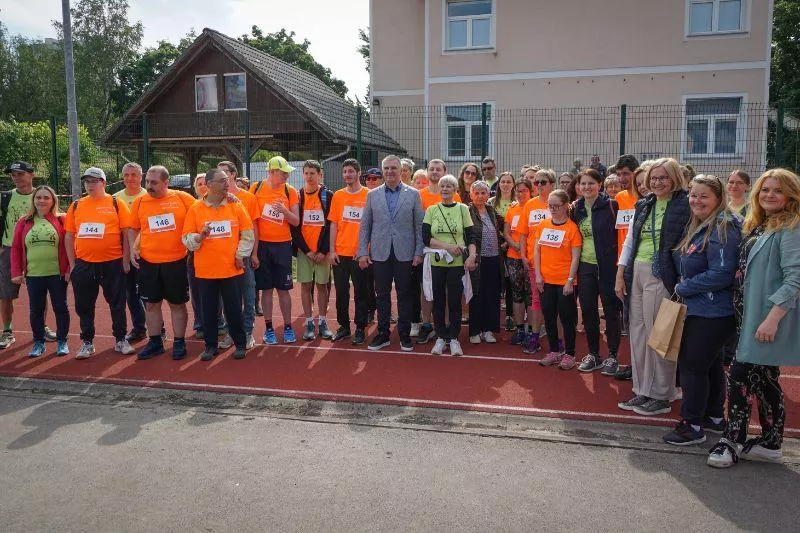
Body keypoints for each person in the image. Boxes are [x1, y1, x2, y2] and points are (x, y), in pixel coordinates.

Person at [707, 168, 800, 468]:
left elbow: (795, 279)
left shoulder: (791, 227)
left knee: (739, 376)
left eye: (778, 190)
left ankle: (731, 440)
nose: (770, 195)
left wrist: (772, 319)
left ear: (791, 196)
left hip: (764, 318)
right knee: (766, 378)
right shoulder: (760, 224)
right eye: (765, 189)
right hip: (747, 315)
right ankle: (771, 443)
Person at [659, 175, 741, 446]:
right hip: (704, 309)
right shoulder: (704, 224)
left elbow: (722, 273)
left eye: (704, 196)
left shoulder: (722, 226)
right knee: (710, 364)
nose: (696, 200)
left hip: (712, 311)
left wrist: (684, 287)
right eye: (693, 195)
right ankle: (714, 417)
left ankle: (692, 426)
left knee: (692, 367)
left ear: (719, 198)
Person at [615, 158, 691, 416]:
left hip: (662, 275)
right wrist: (620, 273)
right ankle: (642, 389)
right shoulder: (644, 204)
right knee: (637, 333)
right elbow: (630, 240)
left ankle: (661, 394)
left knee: (660, 335)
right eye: (654, 178)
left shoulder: (684, 204)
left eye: (663, 177)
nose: (657, 182)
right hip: (635, 271)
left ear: (674, 178)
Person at [182, 167, 254, 361]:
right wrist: (200, 236)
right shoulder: (196, 208)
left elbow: (248, 234)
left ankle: (240, 344)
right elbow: (186, 239)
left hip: (232, 270)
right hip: (206, 271)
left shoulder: (236, 205)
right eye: (222, 181)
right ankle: (210, 346)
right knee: (209, 311)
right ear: (209, 185)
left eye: (227, 180)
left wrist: (241, 255)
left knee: (234, 310)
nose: (227, 184)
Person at [64, 167, 134, 359]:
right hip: (84, 264)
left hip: (113, 263)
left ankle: (120, 339)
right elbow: (69, 236)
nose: (90, 185)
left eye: (94, 181)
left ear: (103, 183)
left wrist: (125, 260)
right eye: (87, 181)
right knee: (84, 305)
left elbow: (126, 233)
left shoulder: (116, 203)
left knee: (117, 304)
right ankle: (87, 342)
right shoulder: (76, 205)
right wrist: (73, 264)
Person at [357, 154, 424, 351]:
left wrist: (418, 251)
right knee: (382, 295)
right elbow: (365, 225)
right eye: (386, 168)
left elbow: (419, 226)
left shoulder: (413, 194)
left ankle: (404, 335)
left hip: (405, 253)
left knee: (405, 294)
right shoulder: (372, 195)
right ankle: (383, 334)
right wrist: (363, 251)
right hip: (380, 253)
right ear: (382, 170)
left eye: (394, 168)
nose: (390, 171)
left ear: (401, 170)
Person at [129, 165, 196, 360]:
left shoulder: (183, 199)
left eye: (154, 182)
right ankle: (155, 342)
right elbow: (133, 228)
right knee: (151, 305)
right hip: (148, 263)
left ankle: (179, 342)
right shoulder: (140, 202)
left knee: (177, 304)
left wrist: (230, 196)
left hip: (177, 262)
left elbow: (204, 210)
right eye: (147, 182)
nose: (149, 186)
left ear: (166, 182)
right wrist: (133, 248)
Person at [1, 161, 57, 349]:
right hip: (10, 250)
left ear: (31, 175)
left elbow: (55, 218)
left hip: (37, 250)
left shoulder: (41, 196)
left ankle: (42, 327)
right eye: (13, 174)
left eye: (20, 173)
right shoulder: (6, 197)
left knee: (40, 291)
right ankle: (7, 331)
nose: (16, 177)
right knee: (5, 294)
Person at [570, 169, 622, 375]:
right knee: (588, 310)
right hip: (585, 266)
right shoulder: (576, 208)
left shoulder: (612, 205)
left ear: (599, 185)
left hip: (608, 266)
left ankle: (613, 356)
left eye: (591, 183)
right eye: (583, 183)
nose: (586, 187)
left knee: (611, 311)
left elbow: (622, 235)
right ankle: (593, 354)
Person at [9, 185, 70, 357]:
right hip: (33, 275)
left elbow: (70, 245)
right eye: (38, 197)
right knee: (36, 310)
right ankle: (39, 342)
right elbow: (15, 248)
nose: (42, 200)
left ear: (53, 201)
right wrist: (16, 272)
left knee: (60, 307)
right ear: (33, 200)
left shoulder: (62, 219)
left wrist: (68, 269)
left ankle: (62, 341)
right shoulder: (24, 221)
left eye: (46, 197)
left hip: (57, 274)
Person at [422, 175, 476, 356]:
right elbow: (426, 238)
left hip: (457, 264)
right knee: (438, 300)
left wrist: (472, 256)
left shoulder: (463, 209)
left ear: (455, 190)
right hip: (436, 261)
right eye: (442, 186)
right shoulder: (431, 210)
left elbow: (470, 236)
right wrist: (448, 247)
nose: (445, 189)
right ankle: (440, 337)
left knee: (454, 301)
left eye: (449, 186)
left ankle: (453, 338)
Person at [251, 156, 301, 345]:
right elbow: (251, 218)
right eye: (283, 173)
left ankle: (288, 327)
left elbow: (296, 221)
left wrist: (284, 211)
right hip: (263, 246)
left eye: (288, 173)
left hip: (282, 246)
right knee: (266, 289)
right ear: (271, 172)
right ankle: (269, 328)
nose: (287, 176)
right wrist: (254, 252)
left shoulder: (290, 191)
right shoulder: (256, 188)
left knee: (283, 289)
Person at [534, 190, 582, 369]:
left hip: (564, 282)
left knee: (567, 318)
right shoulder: (543, 225)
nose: (552, 209)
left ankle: (569, 353)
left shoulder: (572, 229)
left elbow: (575, 257)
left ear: (566, 206)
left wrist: (570, 280)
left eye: (556, 206)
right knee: (549, 317)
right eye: (550, 206)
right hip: (546, 280)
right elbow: (537, 251)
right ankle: (554, 351)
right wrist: (538, 275)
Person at [416, 159, 462, 343]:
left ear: (444, 171)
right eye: (431, 169)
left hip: (450, 253)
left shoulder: (455, 196)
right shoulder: (419, 195)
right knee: (426, 288)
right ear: (427, 172)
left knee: (448, 290)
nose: (434, 172)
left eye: (438, 169)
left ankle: (447, 326)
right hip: (428, 250)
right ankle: (427, 325)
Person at [218, 161, 261, 349]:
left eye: (225, 172)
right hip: (224, 256)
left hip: (244, 255)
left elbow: (254, 227)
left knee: (248, 295)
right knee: (228, 297)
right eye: (218, 172)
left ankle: (248, 332)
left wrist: (254, 253)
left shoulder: (248, 198)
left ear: (234, 174)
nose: (222, 175)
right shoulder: (215, 198)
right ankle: (231, 332)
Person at [328, 159, 370, 344]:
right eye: (345, 171)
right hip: (340, 253)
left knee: (361, 292)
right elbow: (334, 224)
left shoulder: (369, 195)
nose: (347, 175)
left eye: (351, 171)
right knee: (341, 293)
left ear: (359, 173)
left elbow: (372, 225)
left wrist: (365, 251)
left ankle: (360, 328)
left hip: (360, 254)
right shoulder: (338, 195)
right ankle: (344, 326)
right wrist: (332, 250)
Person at [291, 160, 333, 341]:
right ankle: (309, 323)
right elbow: (295, 227)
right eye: (306, 173)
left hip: (322, 252)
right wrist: (307, 250)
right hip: (304, 252)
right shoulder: (298, 196)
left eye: (312, 173)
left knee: (322, 286)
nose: (309, 177)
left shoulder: (327, 195)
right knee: (306, 286)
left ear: (320, 175)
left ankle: (322, 322)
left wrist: (323, 251)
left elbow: (331, 225)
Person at [519, 168, 554, 353]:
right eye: (536, 182)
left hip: (556, 263)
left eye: (543, 182)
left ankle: (558, 340)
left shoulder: (559, 202)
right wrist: (523, 255)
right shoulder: (530, 205)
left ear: (552, 184)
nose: (539, 185)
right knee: (536, 301)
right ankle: (534, 336)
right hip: (535, 263)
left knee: (556, 303)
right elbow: (523, 233)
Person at [113, 162, 148, 343]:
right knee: (130, 293)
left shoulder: (148, 196)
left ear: (141, 177)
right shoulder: (115, 199)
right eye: (126, 175)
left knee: (150, 294)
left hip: (148, 253)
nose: (130, 178)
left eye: (134, 174)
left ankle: (159, 329)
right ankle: (139, 328)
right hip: (124, 253)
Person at [467, 181, 501, 344]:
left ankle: (488, 330)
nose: (480, 196)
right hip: (477, 258)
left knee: (492, 294)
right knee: (477, 294)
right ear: (471, 194)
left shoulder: (491, 210)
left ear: (488, 195)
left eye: (483, 193)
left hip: (494, 257)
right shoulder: (467, 210)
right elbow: (468, 235)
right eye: (477, 193)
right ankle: (475, 330)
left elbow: (504, 225)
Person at [503, 178, 533, 345]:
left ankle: (532, 330)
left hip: (530, 259)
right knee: (517, 293)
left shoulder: (534, 208)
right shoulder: (512, 209)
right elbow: (506, 232)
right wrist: (515, 245)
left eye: (524, 191)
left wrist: (525, 250)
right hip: (513, 257)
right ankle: (520, 328)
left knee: (531, 295)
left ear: (530, 192)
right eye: (518, 191)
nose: (520, 194)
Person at [488, 171, 515, 332]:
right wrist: (500, 242)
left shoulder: (517, 202)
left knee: (511, 282)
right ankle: (493, 315)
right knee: (496, 281)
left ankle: (510, 315)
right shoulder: (491, 202)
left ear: (513, 184)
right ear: (498, 184)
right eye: (502, 182)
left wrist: (508, 242)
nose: (505, 184)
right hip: (495, 246)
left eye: (508, 182)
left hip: (512, 247)